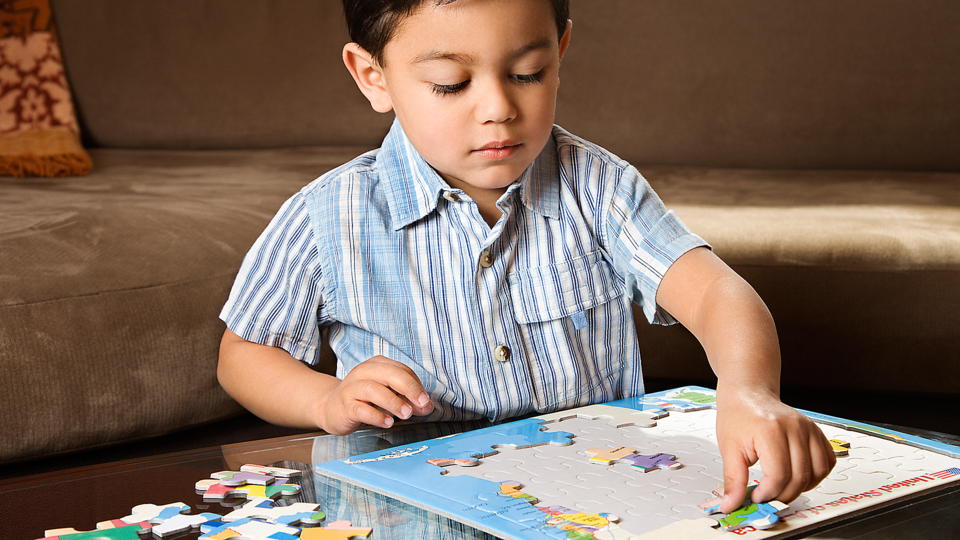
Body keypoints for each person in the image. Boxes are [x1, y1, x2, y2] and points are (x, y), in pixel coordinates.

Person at [217, 0, 835, 513]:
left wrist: (750, 391)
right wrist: (326, 399)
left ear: (560, 51)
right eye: (450, 84)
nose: (498, 109)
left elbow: (713, 291)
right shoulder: (330, 215)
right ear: (372, 75)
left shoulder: (597, 186)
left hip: (597, 499)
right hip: (416, 505)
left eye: (528, 73)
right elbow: (245, 354)